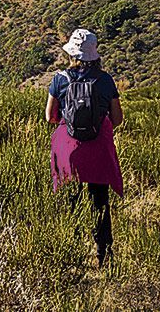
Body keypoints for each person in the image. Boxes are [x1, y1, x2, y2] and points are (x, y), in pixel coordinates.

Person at [46, 28, 124, 265]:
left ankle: (71, 250)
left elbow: (50, 116)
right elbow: (118, 118)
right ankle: (104, 254)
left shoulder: (60, 79)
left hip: (69, 149)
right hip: (98, 147)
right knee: (99, 201)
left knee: (71, 200)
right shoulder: (105, 80)